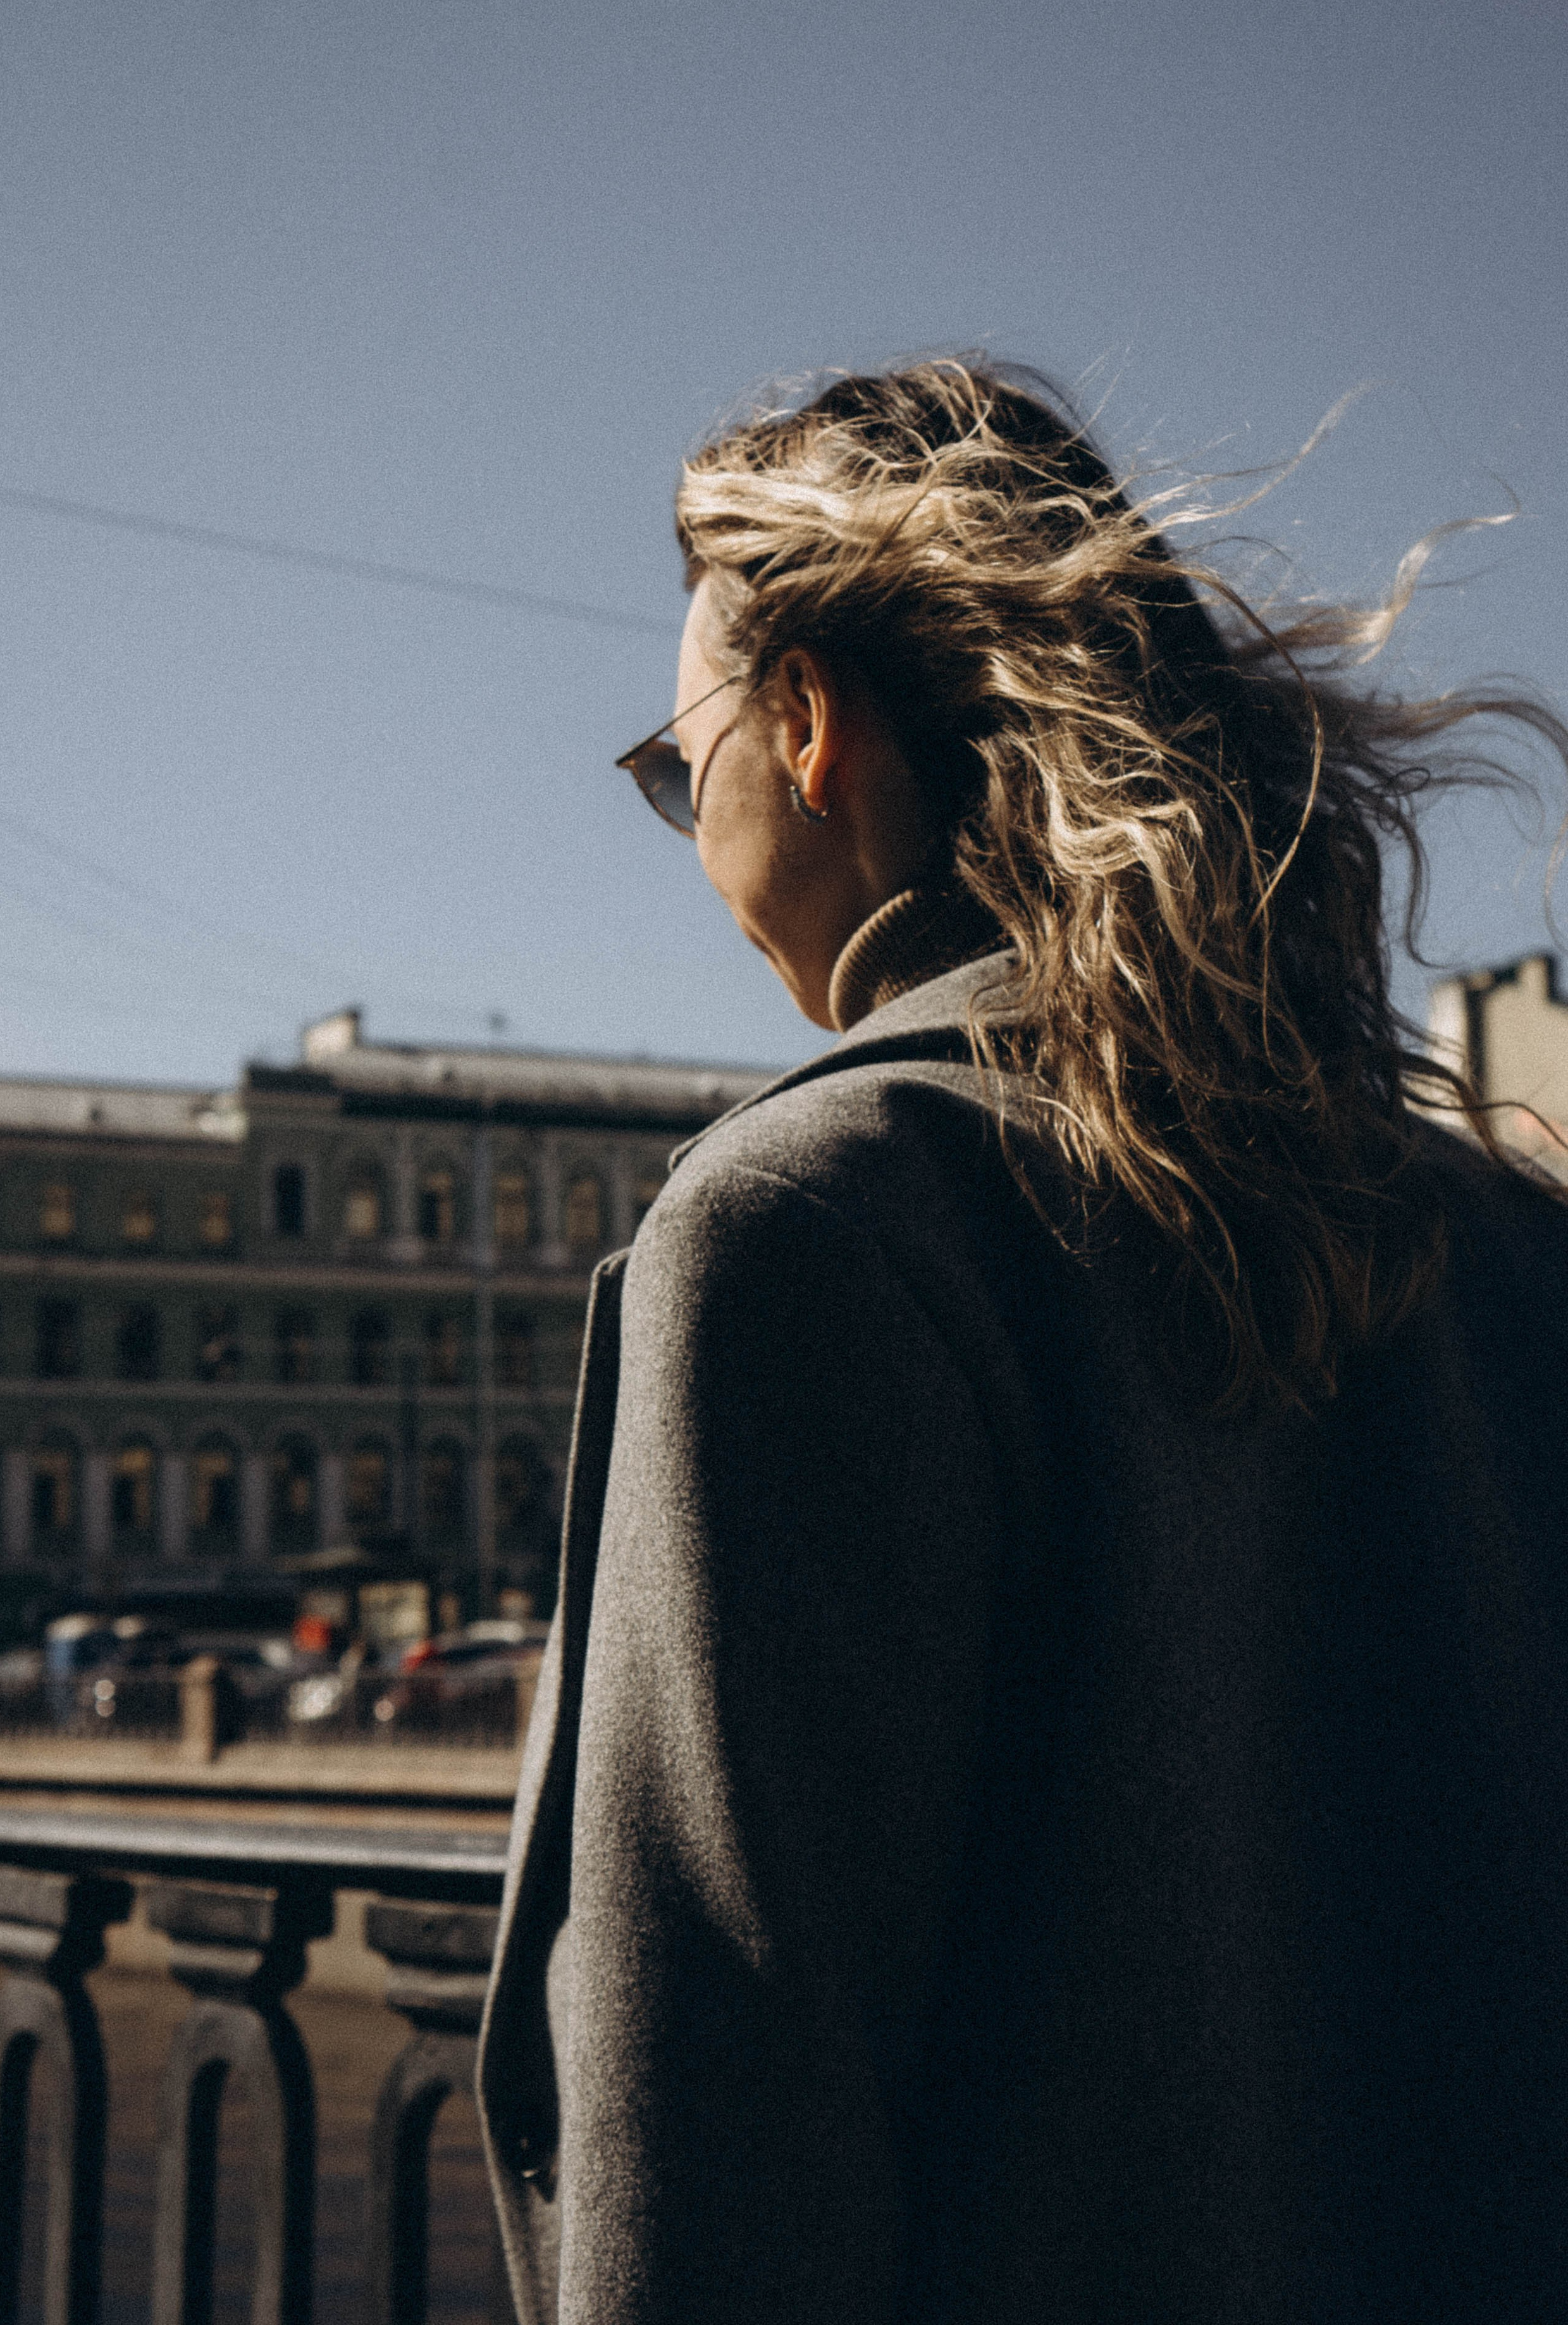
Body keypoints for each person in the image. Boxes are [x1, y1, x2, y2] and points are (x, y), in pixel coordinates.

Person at [476, 360, 1568, 2323]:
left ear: (807, 726)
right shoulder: (1509, 1240)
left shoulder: (809, 1220)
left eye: (674, 765)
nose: (685, 820)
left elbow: (717, 2113)